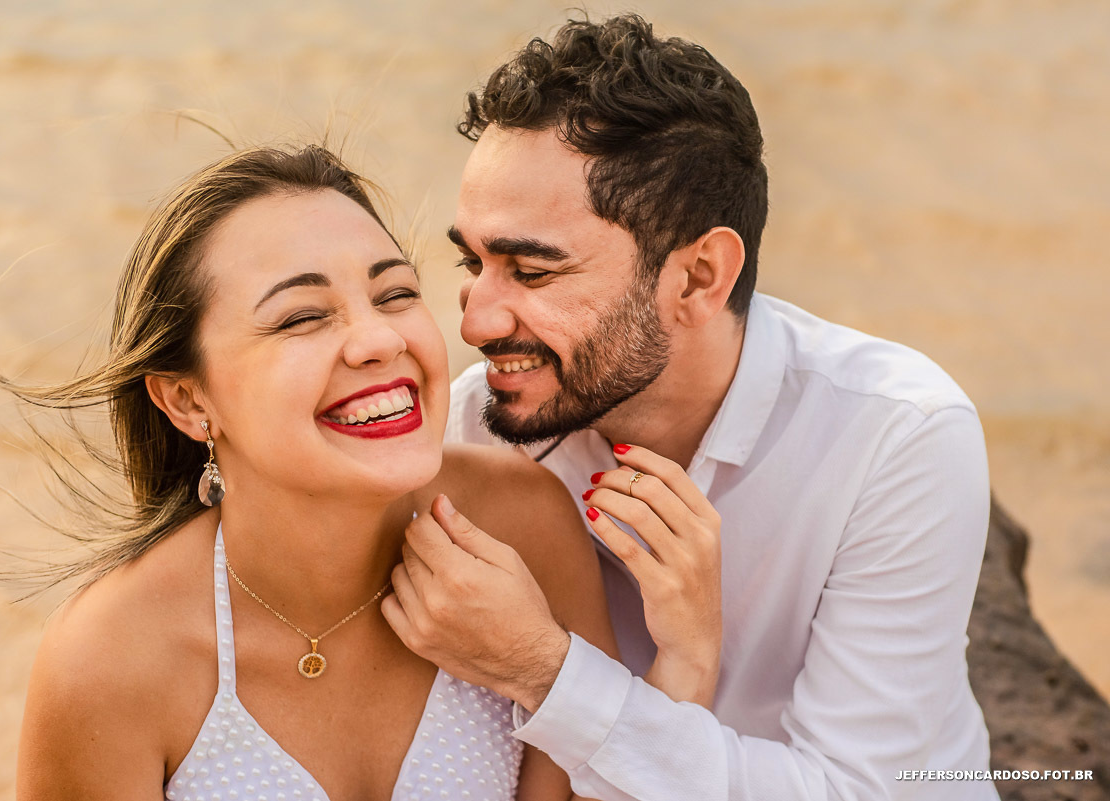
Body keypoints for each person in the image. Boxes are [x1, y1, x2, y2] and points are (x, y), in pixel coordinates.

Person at [385, 14, 1000, 801]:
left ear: (698, 277)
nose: (473, 320)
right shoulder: (478, 426)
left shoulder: (894, 437)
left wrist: (542, 666)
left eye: (531, 272)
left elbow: (857, 790)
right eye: (472, 261)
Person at [0, 144, 654, 800]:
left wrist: (688, 659)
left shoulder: (523, 524)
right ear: (188, 399)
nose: (376, 338)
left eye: (395, 293)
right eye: (303, 317)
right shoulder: (111, 665)